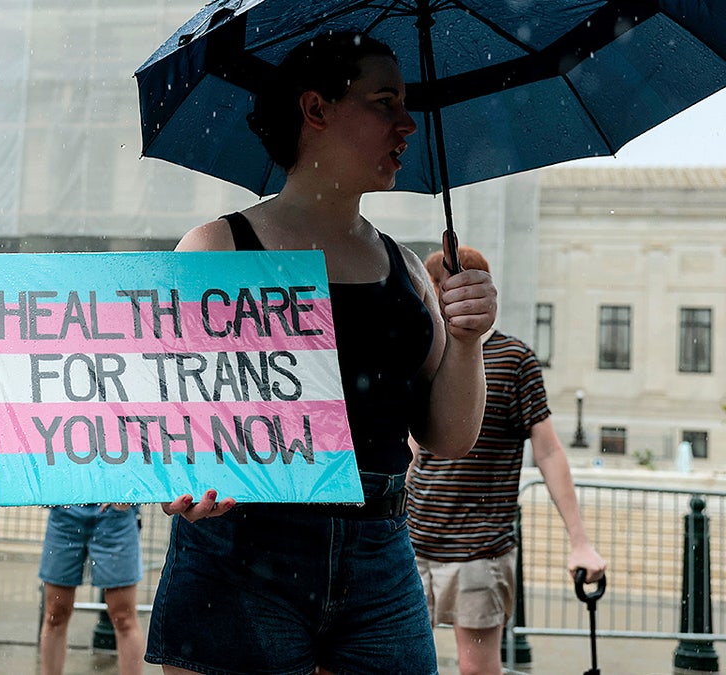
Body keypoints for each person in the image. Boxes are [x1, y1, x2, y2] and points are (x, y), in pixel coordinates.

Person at [142, 32, 498, 675]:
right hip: (242, 552)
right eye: (385, 101)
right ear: (316, 110)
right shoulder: (217, 249)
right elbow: (162, 412)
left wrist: (469, 341)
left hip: (380, 553)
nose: (408, 124)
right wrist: (180, 478)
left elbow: (447, 435)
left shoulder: (408, 268)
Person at [408, 246, 607, 675]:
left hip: (481, 548)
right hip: (412, 541)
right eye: (436, 287)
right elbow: (410, 445)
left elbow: (549, 450)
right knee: (402, 663)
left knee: (476, 669)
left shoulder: (515, 359)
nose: (443, 297)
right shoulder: (423, 354)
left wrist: (580, 541)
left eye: (450, 285)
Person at [38, 504, 145, 675]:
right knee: (54, 614)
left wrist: (127, 494)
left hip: (114, 513)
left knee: (123, 617)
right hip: (65, 510)